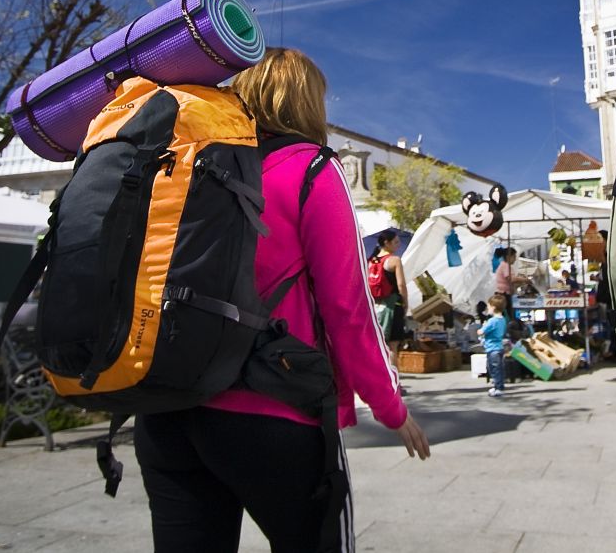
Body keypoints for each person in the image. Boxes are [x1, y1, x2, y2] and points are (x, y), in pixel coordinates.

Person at [133, 47, 429, 553]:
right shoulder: (311, 168)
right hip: (273, 411)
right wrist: (390, 405)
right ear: (307, 104)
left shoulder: (187, 165)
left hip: (167, 410)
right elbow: (347, 309)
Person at [369, 229, 409, 366]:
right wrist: (405, 302)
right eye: (396, 242)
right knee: (392, 346)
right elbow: (401, 285)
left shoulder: (371, 261)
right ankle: (393, 377)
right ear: (387, 243)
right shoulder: (394, 260)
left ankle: (377, 376)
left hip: (375, 307)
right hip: (392, 306)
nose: (398, 245)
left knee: (377, 344)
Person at [478, 293, 509, 397]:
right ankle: (499, 386)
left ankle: (498, 388)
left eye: (488, 306)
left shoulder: (492, 321)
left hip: (492, 349)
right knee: (499, 369)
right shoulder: (503, 319)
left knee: (494, 369)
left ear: (493, 307)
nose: (487, 309)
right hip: (499, 347)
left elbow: (481, 332)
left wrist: (482, 327)